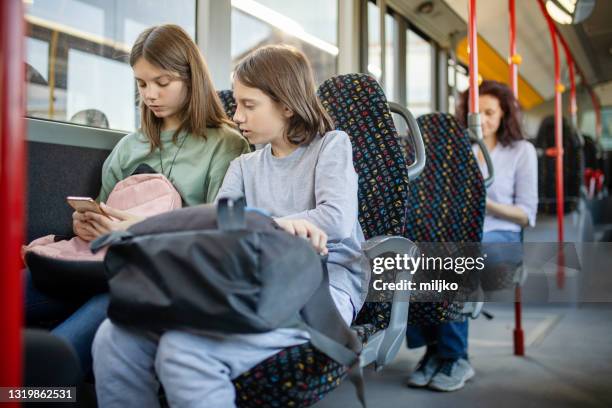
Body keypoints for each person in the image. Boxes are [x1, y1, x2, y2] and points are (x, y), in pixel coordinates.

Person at [92, 44, 366, 408]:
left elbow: (337, 220)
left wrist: (260, 227)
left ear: (286, 105)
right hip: (248, 277)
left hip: (321, 281)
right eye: (236, 104)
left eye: (249, 106)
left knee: (185, 352)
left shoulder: (330, 146)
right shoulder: (244, 166)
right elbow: (218, 225)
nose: (237, 117)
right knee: (114, 337)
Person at [24, 24, 250, 374]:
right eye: (142, 84)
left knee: (54, 355)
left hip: (157, 275)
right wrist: (86, 224)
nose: (150, 94)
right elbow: (102, 209)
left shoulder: (226, 144)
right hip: (100, 261)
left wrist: (139, 228)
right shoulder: (129, 147)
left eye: (162, 82)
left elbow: (218, 234)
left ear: (191, 79)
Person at [405, 80, 537, 392]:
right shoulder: (458, 150)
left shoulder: (521, 151)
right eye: (477, 112)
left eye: (491, 112)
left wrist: (481, 202)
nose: (484, 120)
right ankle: (434, 351)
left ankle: (455, 356)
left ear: (504, 114)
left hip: (501, 235)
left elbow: (525, 214)